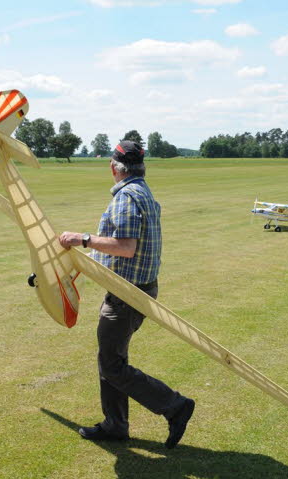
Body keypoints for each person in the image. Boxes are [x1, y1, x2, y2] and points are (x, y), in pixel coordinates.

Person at [58, 140, 195, 448]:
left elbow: (125, 247)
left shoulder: (126, 197)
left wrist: (82, 238)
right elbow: (120, 250)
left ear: (113, 168)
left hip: (126, 295)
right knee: (112, 359)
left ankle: (174, 406)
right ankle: (115, 424)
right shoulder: (143, 192)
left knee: (111, 365)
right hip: (138, 289)